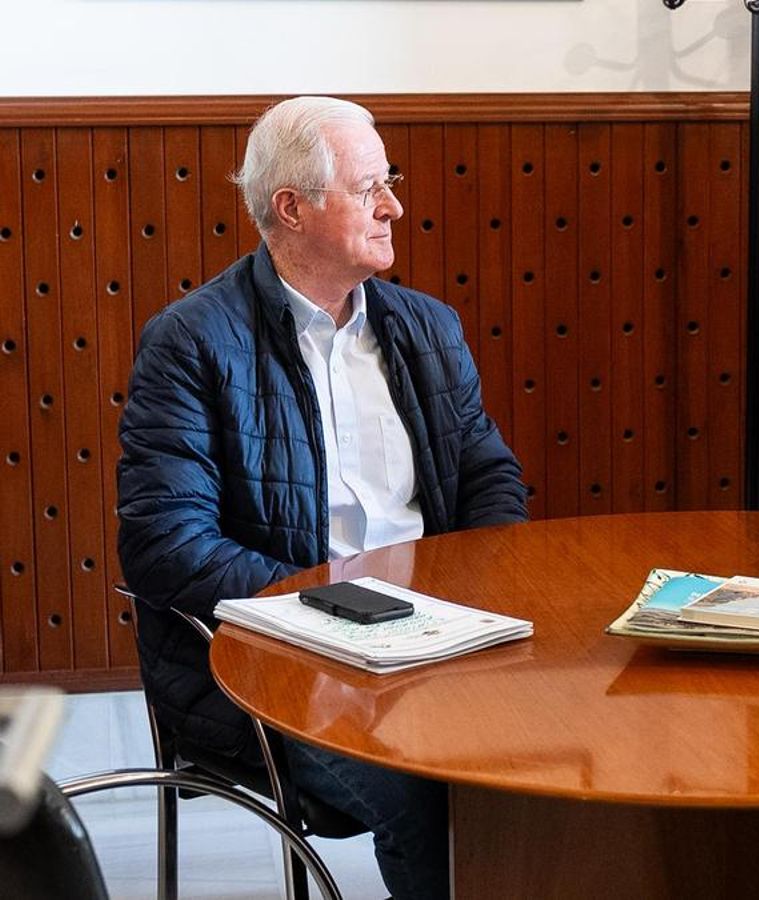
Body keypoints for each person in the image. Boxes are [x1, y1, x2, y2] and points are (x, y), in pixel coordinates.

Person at [117, 96, 528, 900]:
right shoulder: (191, 342)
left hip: (440, 639)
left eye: (391, 181)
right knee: (428, 785)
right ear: (292, 209)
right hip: (268, 664)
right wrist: (336, 609)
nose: (395, 206)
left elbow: (490, 478)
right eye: (370, 186)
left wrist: (483, 589)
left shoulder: (427, 329)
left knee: (549, 741)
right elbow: (168, 545)